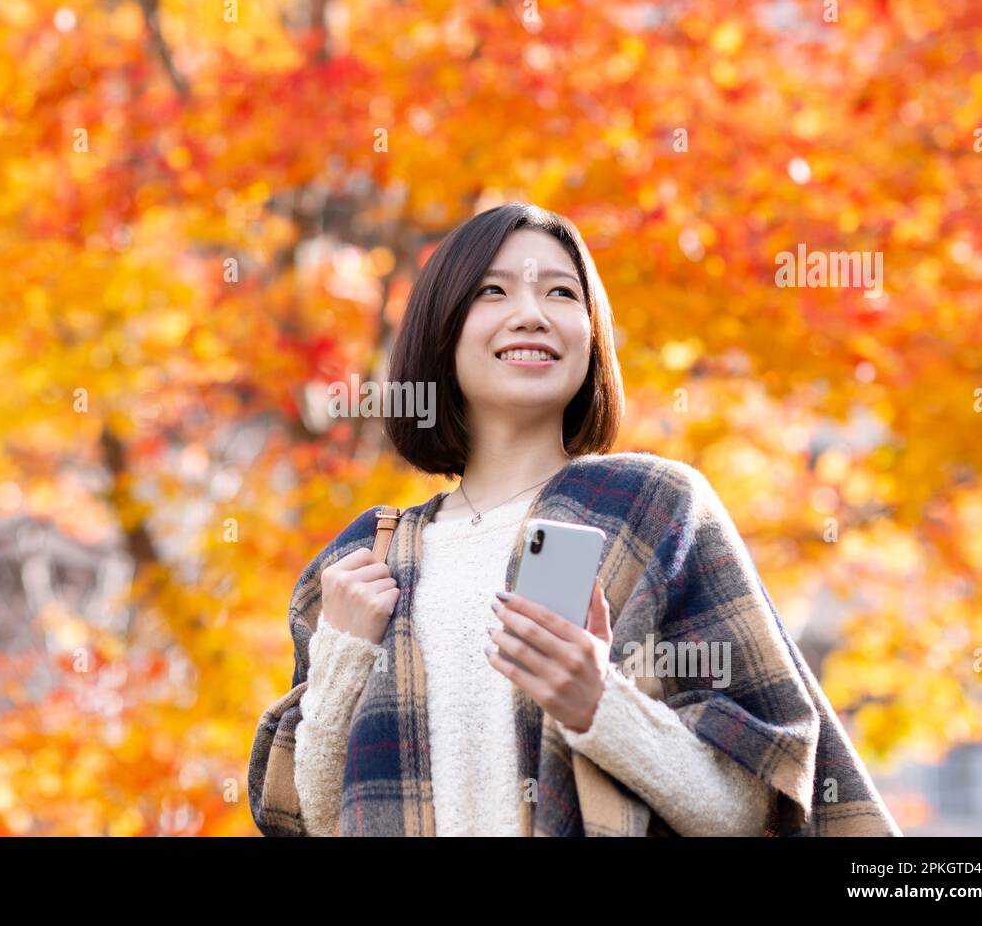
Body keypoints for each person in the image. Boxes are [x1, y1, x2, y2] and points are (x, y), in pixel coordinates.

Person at [248, 202, 901, 837]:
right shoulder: (370, 557)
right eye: (493, 293)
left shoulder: (653, 506)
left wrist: (599, 705)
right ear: (440, 329)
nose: (531, 315)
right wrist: (340, 658)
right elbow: (319, 820)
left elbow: (747, 812)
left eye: (561, 293)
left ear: (590, 331)